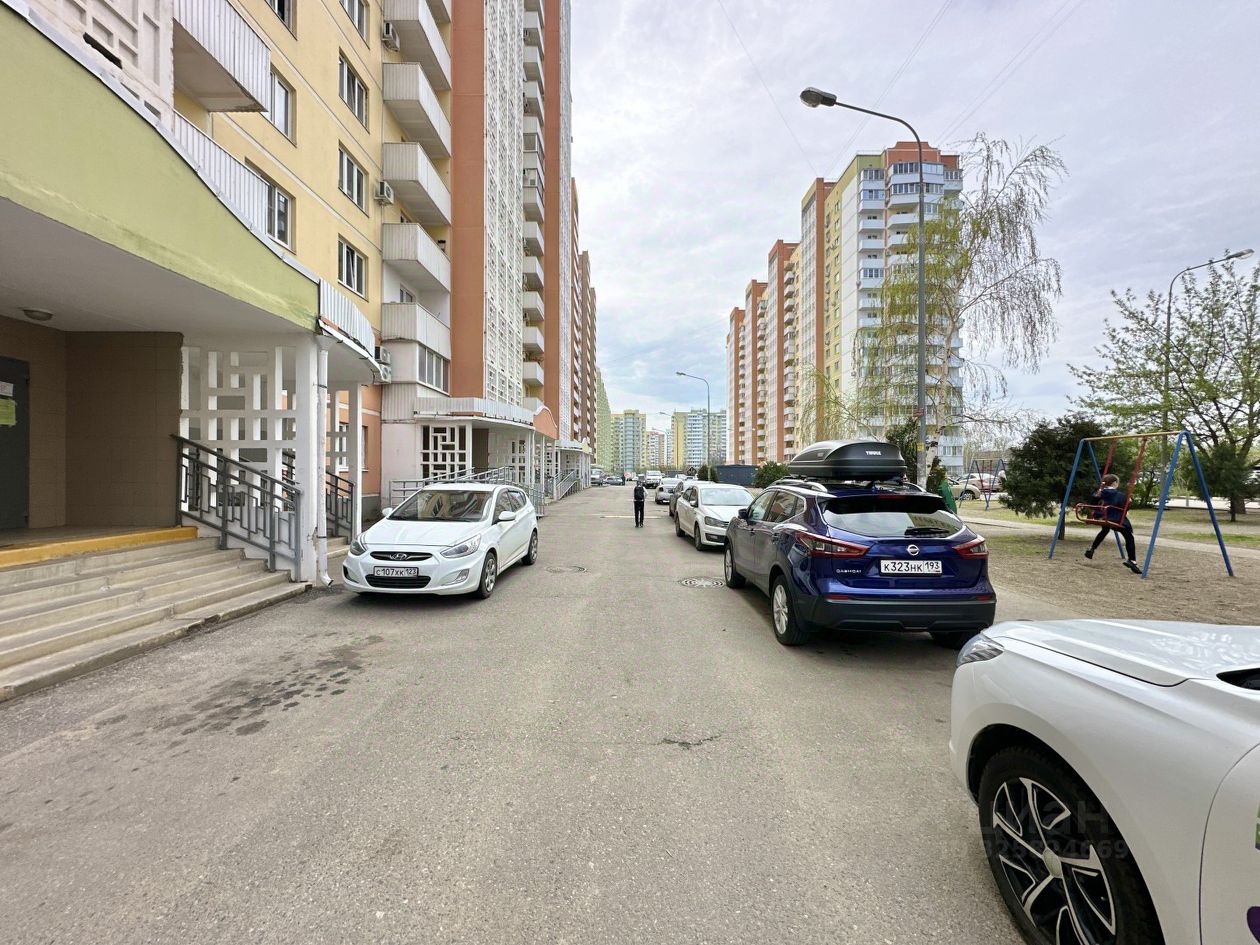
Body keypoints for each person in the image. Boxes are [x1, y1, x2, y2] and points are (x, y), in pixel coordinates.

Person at [1085, 473, 1141, 574]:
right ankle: (1132, 560)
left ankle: (1092, 549)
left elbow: (1092, 504)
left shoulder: (1099, 492)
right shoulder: (1119, 495)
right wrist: (1128, 502)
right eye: (1118, 482)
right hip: (1115, 519)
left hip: (1102, 517)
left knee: (1105, 529)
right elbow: (1125, 507)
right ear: (1114, 483)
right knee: (1129, 537)